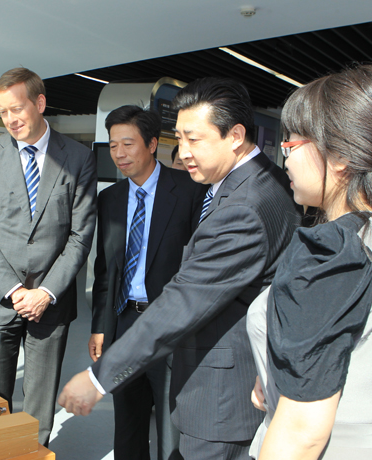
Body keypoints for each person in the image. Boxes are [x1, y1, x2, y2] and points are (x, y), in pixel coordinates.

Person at [59, 77, 302, 460]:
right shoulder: (259, 181)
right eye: (180, 139)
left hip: (221, 397)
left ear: (235, 135)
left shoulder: (243, 205)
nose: (184, 152)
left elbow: (186, 297)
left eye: (194, 139)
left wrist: (98, 377)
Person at [246, 65, 372, 460]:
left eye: (291, 145)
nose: (285, 161)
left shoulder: (330, 251)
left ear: (339, 156)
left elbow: (301, 432)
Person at [0, 67, 97, 446]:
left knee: (39, 410)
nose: (10, 119)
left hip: (50, 303)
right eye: (3, 112)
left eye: (17, 109)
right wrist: (16, 290)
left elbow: (80, 235)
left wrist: (45, 292)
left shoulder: (78, 158)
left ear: (40, 103)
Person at [90, 105, 205, 459]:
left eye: (128, 144)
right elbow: (105, 271)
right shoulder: (110, 199)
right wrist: (100, 328)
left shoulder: (189, 191)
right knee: (128, 425)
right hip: (125, 324)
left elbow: (199, 265)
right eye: (113, 146)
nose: (119, 154)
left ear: (152, 144)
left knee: (171, 427)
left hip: (169, 326)